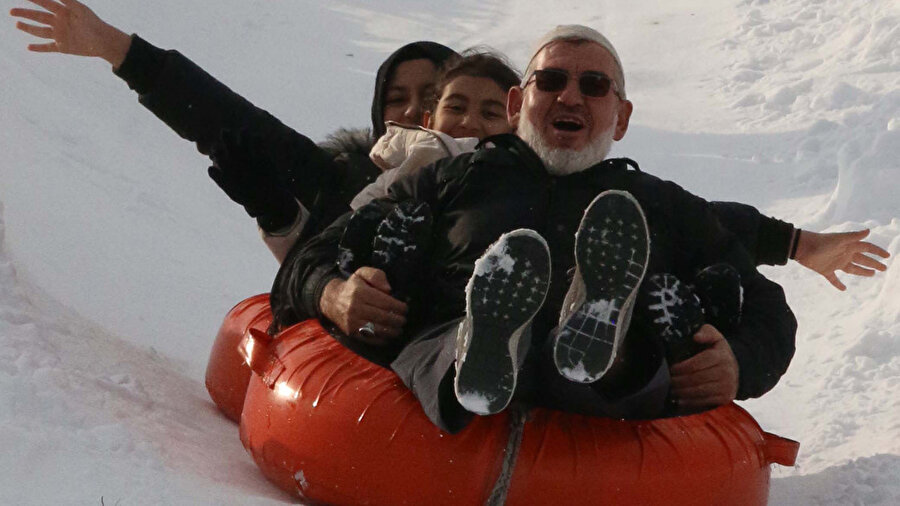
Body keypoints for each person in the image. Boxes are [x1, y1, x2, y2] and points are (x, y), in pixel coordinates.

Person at [10, 1, 890, 279]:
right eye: (417, 103)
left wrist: (795, 243)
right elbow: (233, 120)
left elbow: (691, 214)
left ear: (510, 113)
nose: (441, 117)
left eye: (470, 104)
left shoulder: (547, 169)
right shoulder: (374, 176)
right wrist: (123, 52)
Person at [270, 25, 800, 433]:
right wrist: (334, 293)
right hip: (445, 337)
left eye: (593, 86)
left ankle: (594, 340)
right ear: (518, 103)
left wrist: (737, 361)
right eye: (551, 81)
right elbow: (312, 255)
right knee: (448, 342)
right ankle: (487, 348)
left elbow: (767, 308)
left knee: (614, 359)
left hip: (607, 399)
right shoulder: (451, 179)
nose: (570, 97)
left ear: (621, 117)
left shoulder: (657, 205)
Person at [9, 0, 456, 263]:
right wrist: (119, 50)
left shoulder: (501, 178)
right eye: (398, 99)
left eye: (435, 97)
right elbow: (233, 122)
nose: (415, 110)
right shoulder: (344, 181)